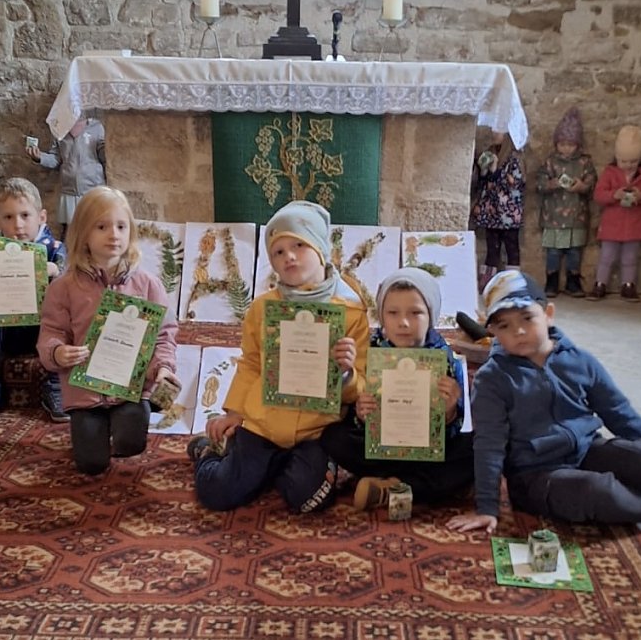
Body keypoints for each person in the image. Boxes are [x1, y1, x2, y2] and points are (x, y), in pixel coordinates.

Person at [447, 269, 641, 535]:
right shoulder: (491, 379)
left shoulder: (579, 361)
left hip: (586, 449)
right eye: (504, 325)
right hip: (536, 475)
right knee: (596, 491)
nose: (518, 331)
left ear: (548, 314)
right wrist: (487, 507)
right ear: (492, 331)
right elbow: (488, 445)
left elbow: (620, 413)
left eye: (527, 318)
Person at [187, 200, 369, 513]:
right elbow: (251, 363)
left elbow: (361, 387)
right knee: (218, 494)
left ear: (321, 250)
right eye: (278, 252)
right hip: (263, 425)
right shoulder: (262, 309)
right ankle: (209, 452)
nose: (289, 257)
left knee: (310, 500)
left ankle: (269, 470)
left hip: (315, 431)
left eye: (299, 244)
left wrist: (347, 373)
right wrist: (233, 411)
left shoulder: (351, 313)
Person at [37, 186, 179, 476]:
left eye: (121, 226)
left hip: (131, 390)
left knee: (130, 440)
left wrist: (162, 368)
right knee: (91, 464)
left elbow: (164, 334)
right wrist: (58, 352)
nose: (113, 234)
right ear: (83, 234)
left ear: (131, 232)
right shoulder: (64, 287)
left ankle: (120, 429)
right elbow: (51, 331)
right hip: (84, 393)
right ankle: (93, 435)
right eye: (101, 227)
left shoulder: (148, 284)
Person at [321, 267, 474, 511]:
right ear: (382, 317)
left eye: (416, 313)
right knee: (333, 437)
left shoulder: (444, 359)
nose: (403, 322)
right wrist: (361, 413)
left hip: (428, 452)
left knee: (477, 448)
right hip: (382, 449)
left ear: (431, 317)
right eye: (393, 313)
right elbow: (354, 408)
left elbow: (455, 427)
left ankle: (389, 487)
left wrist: (449, 412)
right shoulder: (371, 351)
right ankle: (422, 486)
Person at [0, 177, 67, 423]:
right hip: (8, 328)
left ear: (41, 217)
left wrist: (55, 270)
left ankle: (54, 385)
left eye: (25, 215)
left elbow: (70, 280)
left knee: (64, 316)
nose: (18, 225)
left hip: (44, 331)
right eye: (8, 217)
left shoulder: (54, 247)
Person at [586, 125, 641, 304]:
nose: (628, 166)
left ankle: (628, 285)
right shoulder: (609, 173)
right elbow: (598, 194)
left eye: (633, 162)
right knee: (606, 257)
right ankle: (600, 284)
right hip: (613, 223)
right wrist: (614, 195)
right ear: (617, 159)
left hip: (634, 224)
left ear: (639, 159)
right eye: (624, 162)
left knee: (630, 258)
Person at [536, 107, 597, 298]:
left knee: (574, 252)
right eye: (562, 144)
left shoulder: (584, 162)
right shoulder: (550, 162)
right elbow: (539, 183)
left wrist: (581, 186)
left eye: (570, 145)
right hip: (553, 216)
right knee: (553, 252)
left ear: (577, 145)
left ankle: (573, 281)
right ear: (557, 144)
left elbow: (592, 181)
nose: (566, 148)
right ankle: (551, 282)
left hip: (576, 216)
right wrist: (552, 183)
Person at [25, 114, 106, 240]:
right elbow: (56, 158)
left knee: (94, 229)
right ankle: (69, 257)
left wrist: (107, 147)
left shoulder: (96, 126)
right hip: (69, 190)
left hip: (93, 189)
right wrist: (39, 157)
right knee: (71, 232)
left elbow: (104, 157)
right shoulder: (59, 129)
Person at [470, 130, 525, 292]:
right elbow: (483, 183)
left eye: (499, 132)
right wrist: (484, 171)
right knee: (492, 248)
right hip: (491, 211)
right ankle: (488, 283)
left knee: (511, 248)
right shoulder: (489, 154)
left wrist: (495, 170)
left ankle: (512, 284)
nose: (495, 135)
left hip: (508, 212)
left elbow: (514, 183)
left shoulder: (514, 159)